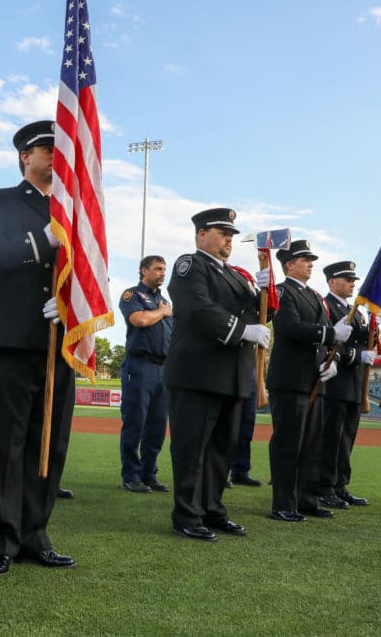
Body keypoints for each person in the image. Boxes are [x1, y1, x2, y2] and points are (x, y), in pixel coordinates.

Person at [0, 120, 77, 577]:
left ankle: (36, 535)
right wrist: (42, 241)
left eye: (61, 147)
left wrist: (72, 307)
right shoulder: (1, 199)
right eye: (45, 147)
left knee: (49, 446)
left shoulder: (75, 210)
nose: (54, 154)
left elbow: (91, 271)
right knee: (10, 445)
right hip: (15, 337)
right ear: (24, 157)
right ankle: (3, 539)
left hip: (61, 340)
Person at [162, 208, 271, 541]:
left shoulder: (237, 276)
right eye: (222, 233)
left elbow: (260, 311)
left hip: (233, 376)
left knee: (222, 449)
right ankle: (186, 514)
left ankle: (211, 509)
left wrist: (268, 290)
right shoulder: (189, 266)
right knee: (192, 447)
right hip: (198, 373)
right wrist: (243, 331)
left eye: (231, 235)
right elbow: (197, 309)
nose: (228, 240)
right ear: (201, 235)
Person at [265, 240, 351, 522]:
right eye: (305, 259)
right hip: (290, 379)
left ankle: (307, 500)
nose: (311, 263)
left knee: (313, 443)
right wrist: (329, 335)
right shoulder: (282, 292)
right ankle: (283, 504)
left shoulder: (314, 295)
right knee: (288, 443)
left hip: (314, 378)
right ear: (289, 264)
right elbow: (289, 327)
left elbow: (326, 337)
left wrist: (333, 361)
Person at [317, 261, 372, 510]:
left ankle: (340, 485)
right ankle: (324, 487)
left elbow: (361, 340)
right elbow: (329, 343)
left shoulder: (357, 312)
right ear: (331, 281)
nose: (352, 283)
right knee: (331, 436)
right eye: (346, 279)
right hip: (335, 381)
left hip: (354, 382)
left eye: (353, 280)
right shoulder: (325, 306)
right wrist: (354, 357)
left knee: (347, 436)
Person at [117, 255, 173, 493]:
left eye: (164, 269)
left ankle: (149, 473)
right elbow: (139, 320)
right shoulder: (132, 295)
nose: (162, 273)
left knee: (158, 426)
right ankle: (131, 475)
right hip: (140, 366)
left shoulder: (165, 301)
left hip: (164, 368)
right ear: (144, 270)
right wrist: (161, 313)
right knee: (135, 422)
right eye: (157, 269)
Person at [228, 389, 263, 487]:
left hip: (250, 381)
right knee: (225, 425)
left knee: (246, 428)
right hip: (228, 379)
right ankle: (217, 474)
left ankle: (240, 472)